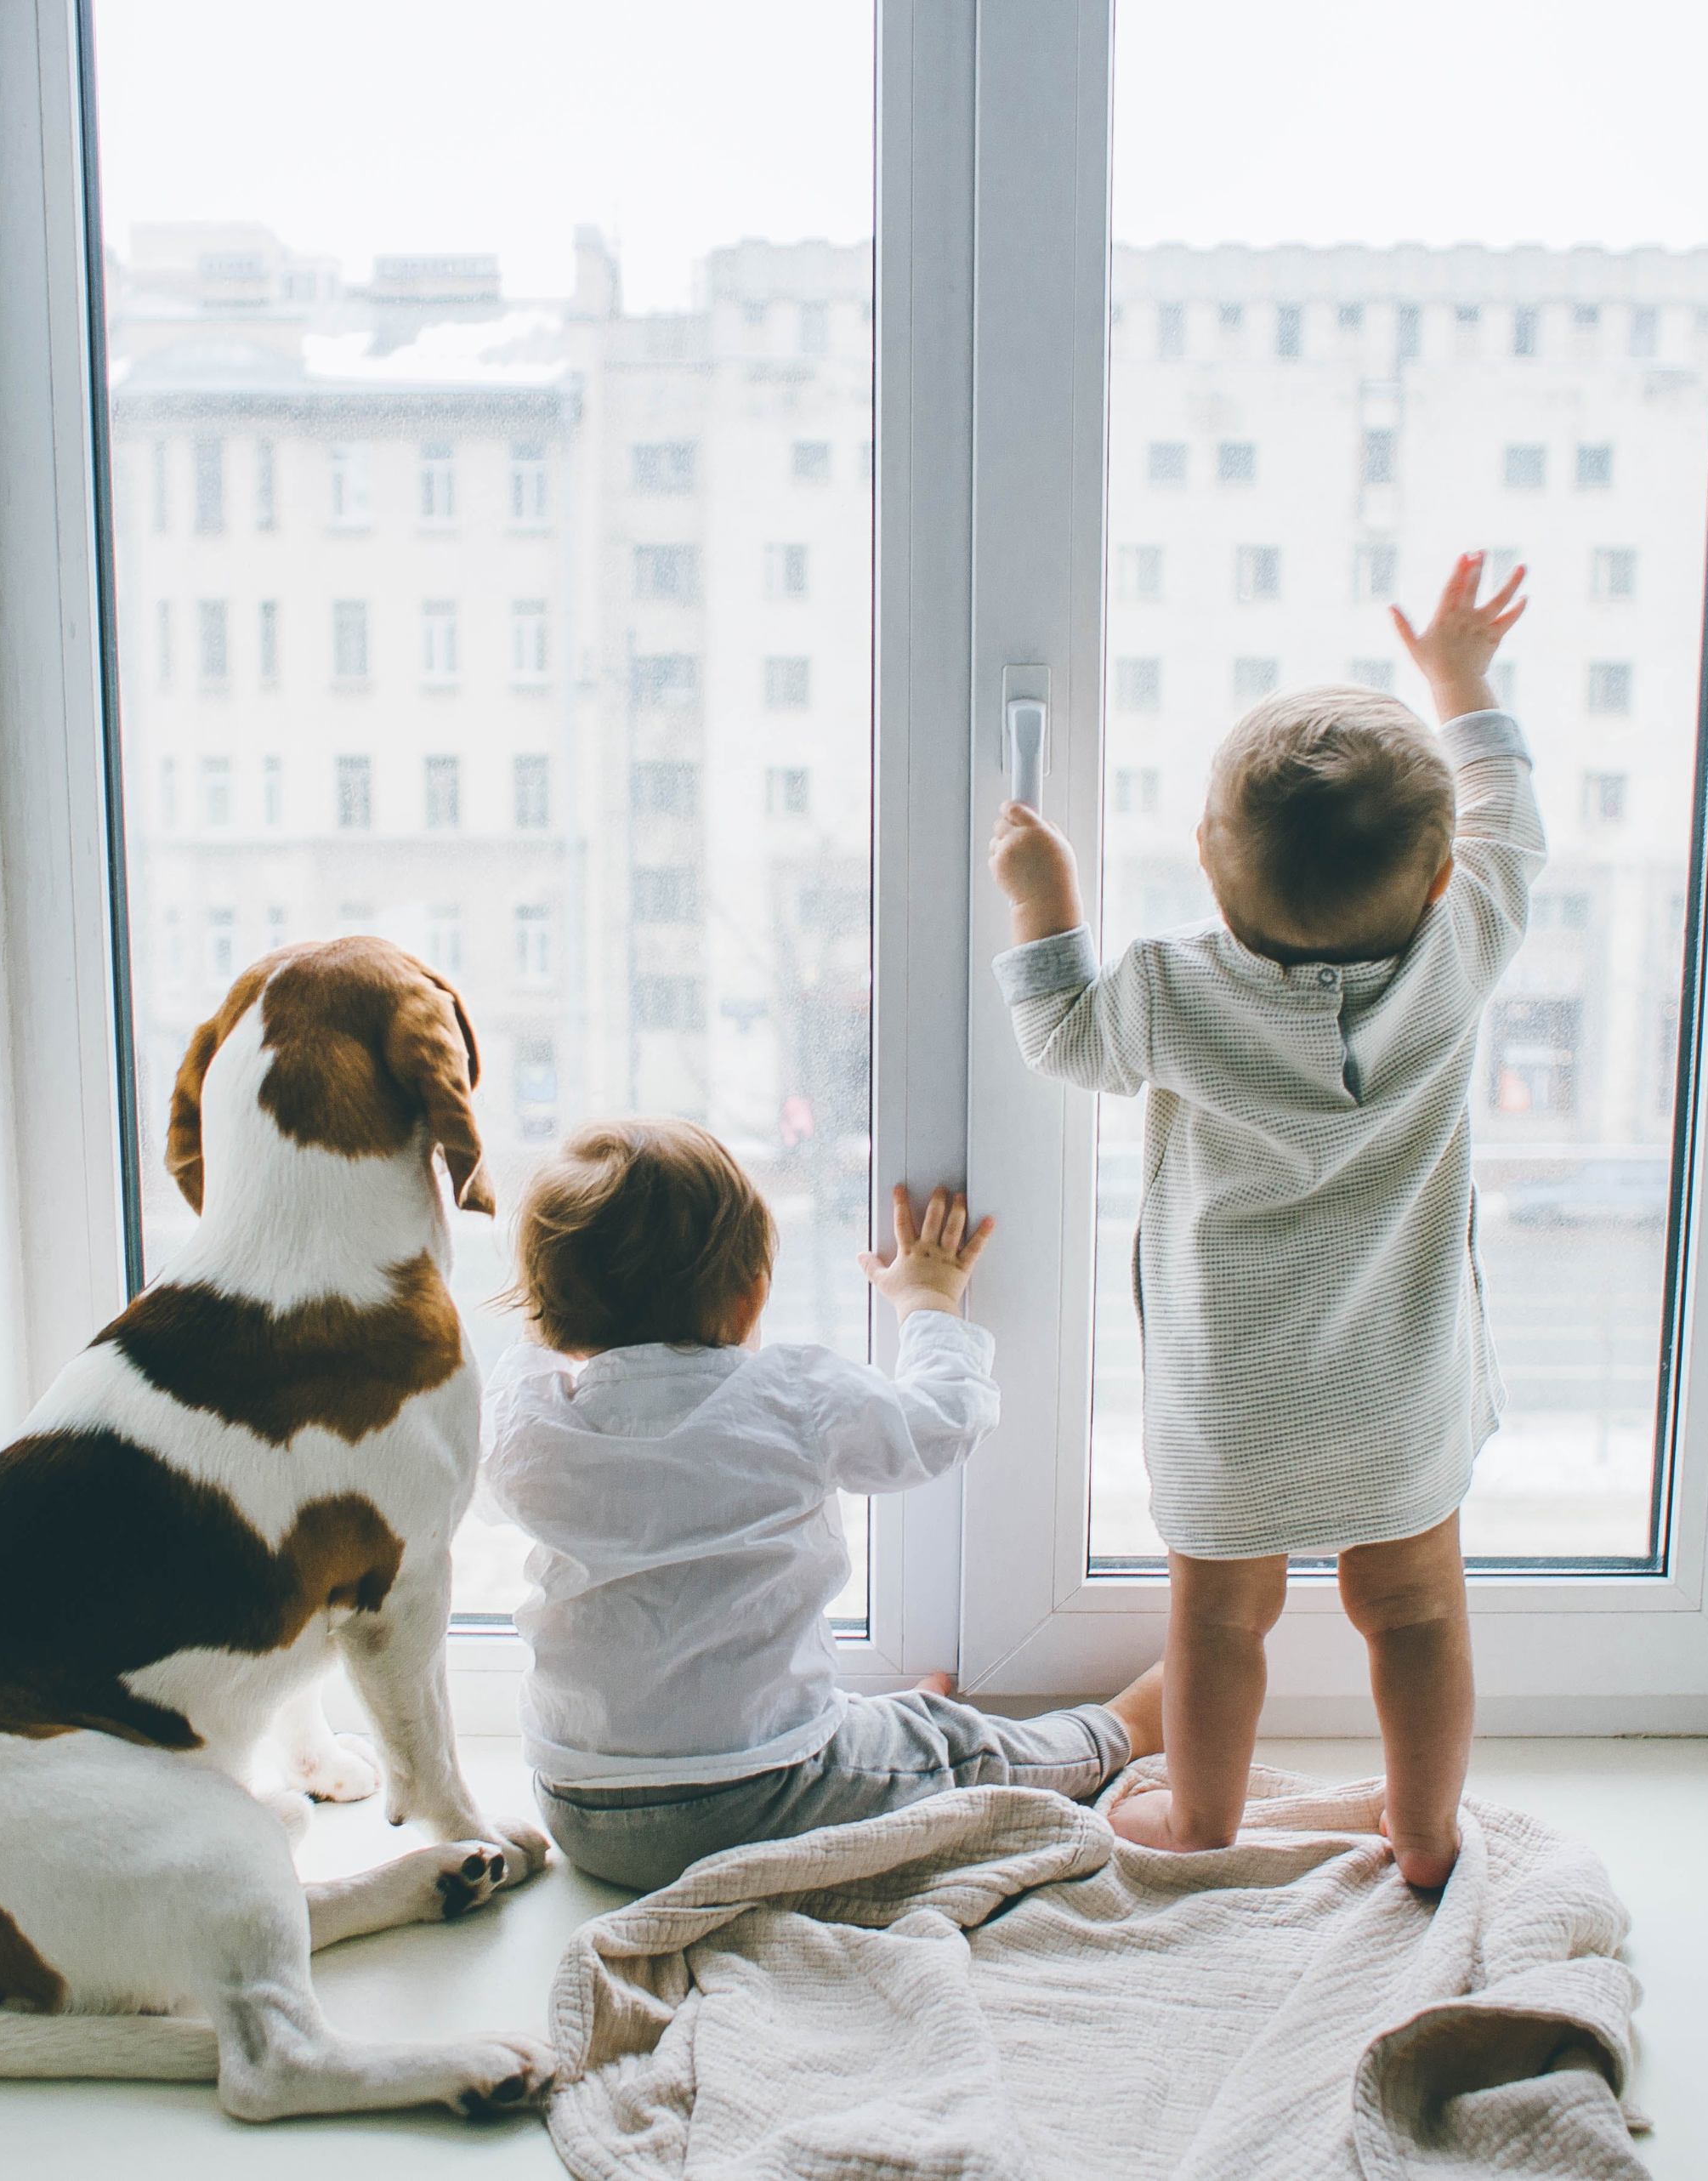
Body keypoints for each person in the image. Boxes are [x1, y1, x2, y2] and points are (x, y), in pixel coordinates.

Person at [987, 552, 1542, 1889]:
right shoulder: (1460, 951)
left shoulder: (1175, 993)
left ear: (1205, 860)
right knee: (1412, 1610)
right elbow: (1509, 817)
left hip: (1232, 1396)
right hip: (1401, 1387)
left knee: (1220, 1626)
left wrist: (1042, 904)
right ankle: (1422, 1833)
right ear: (1433, 878)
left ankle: (1203, 1824)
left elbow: (1060, 1033)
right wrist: (1460, 681)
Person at [480, 1116, 1164, 1891]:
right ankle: (1119, 1732)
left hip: (578, 1808)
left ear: (549, 1315)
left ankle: (859, 1728)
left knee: (861, 1724)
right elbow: (938, 1423)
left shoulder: (531, 1422)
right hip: (756, 1798)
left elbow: (526, 1362)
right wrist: (930, 1303)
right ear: (752, 1298)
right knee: (956, 1748)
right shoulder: (783, 1395)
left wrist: (565, 1299)